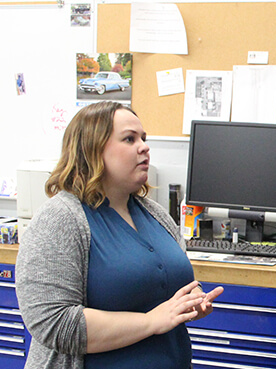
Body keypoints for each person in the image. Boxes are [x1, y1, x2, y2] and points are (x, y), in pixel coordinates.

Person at [15, 101, 224, 369]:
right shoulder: (61, 219)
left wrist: (192, 301)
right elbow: (54, 322)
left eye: (144, 139)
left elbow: (165, 285)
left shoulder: (156, 214)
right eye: (129, 139)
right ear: (92, 150)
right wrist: (151, 322)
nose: (144, 147)